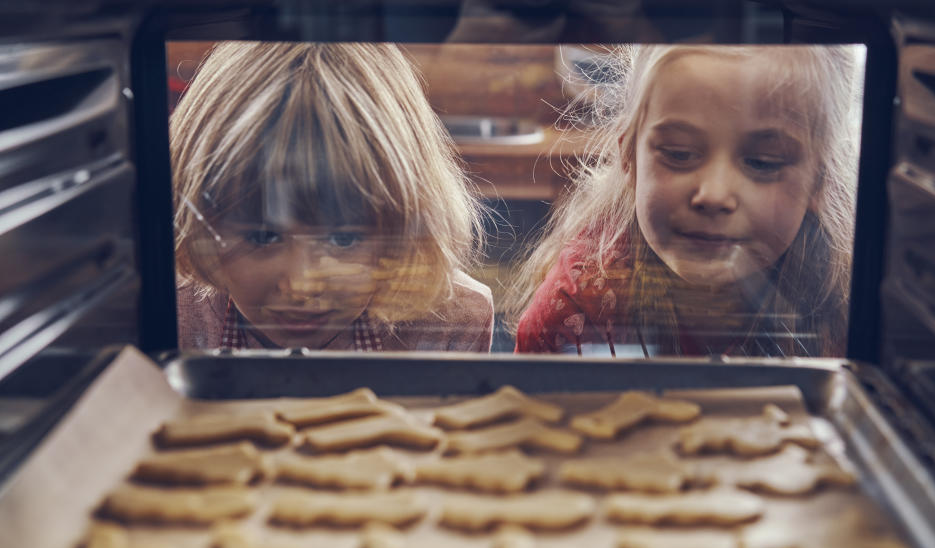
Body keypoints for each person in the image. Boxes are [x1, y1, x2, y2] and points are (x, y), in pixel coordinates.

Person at [509, 45, 863, 357]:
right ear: (629, 159)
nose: (713, 195)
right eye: (679, 154)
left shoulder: (850, 304)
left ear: (819, 180)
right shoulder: (574, 308)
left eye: (762, 162)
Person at [171, 42, 494, 352]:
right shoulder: (169, 311)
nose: (302, 286)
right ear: (201, 224)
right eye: (263, 236)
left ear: (406, 226)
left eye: (343, 240)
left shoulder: (454, 321)